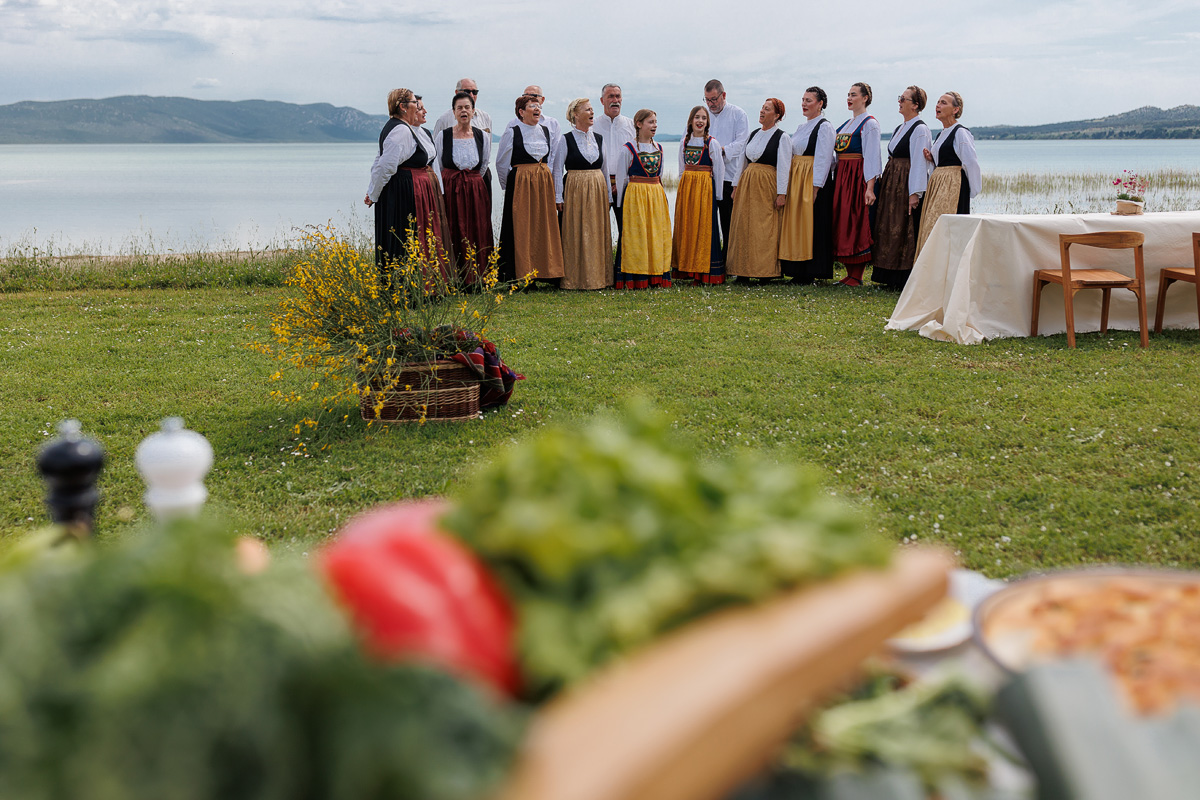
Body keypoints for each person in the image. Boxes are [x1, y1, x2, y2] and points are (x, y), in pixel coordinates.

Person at [365, 88, 451, 276]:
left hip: (409, 189)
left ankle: (420, 283)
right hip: (404, 192)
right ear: (403, 107)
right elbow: (385, 166)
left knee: (414, 236)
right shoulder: (401, 131)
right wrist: (373, 194)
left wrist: (373, 191)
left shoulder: (401, 128)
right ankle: (406, 286)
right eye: (414, 103)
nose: (418, 106)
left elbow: (380, 162)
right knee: (408, 236)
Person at [496, 94, 565, 284]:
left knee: (543, 225)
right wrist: (510, 186)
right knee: (522, 227)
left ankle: (547, 271)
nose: (537, 109)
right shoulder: (513, 131)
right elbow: (502, 163)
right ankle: (523, 273)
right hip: (521, 184)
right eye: (532, 106)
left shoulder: (545, 131)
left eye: (538, 106)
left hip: (543, 183)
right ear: (521, 112)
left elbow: (551, 160)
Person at [871, 86, 932, 289]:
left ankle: (902, 277)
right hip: (892, 179)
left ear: (915, 105)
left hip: (905, 181)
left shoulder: (920, 129)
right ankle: (887, 274)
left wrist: (914, 193)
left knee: (903, 226)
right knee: (888, 224)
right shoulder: (900, 128)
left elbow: (918, 163)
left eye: (904, 99)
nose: (900, 102)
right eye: (900, 98)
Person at [726, 98, 791, 281]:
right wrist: (735, 186)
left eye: (767, 109)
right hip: (747, 184)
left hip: (767, 184)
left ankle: (764, 272)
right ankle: (742, 270)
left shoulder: (782, 137)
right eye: (762, 108)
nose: (762, 111)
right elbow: (742, 161)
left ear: (776, 115)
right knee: (744, 226)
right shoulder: (753, 134)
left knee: (764, 227)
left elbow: (784, 167)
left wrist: (781, 194)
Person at [551, 97, 612, 290]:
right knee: (575, 232)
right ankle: (574, 278)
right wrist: (558, 197)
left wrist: (609, 196)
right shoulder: (565, 139)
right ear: (575, 115)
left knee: (596, 231)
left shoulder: (599, 139)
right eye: (587, 110)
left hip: (597, 188)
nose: (592, 113)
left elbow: (604, 168)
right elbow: (557, 169)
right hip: (575, 188)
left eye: (592, 109)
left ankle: (598, 277)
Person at [435, 90, 493, 284]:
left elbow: (484, 164)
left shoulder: (482, 136)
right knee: (453, 229)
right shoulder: (443, 136)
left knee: (478, 229)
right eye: (459, 108)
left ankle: (477, 277)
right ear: (453, 112)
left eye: (467, 107)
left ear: (473, 111)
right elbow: (439, 165)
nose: (463, 111)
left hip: (475, 188)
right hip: (451, 188)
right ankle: (454, 277)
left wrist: (472, 181)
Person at [779, 86, 836, 283]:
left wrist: (815, 188)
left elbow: (824, 158)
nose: (804, 103)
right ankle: (797, 268)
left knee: (813, 224)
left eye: (809, 100)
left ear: (820, 104)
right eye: (803, 100)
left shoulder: (824, 127)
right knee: (797, 223)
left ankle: (811, 270)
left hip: (812, 179)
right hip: (798, 178)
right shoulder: (802, 127)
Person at [916, 92, 981, 257]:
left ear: (955, 109)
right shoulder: (940, 134)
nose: (938, 105)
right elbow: (945, 158)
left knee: (949, 228)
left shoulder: (960, 132)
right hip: (938, 184)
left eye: (943, 103)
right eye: (938, 102)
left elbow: (970, 162)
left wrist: (971, 190)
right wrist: (932, 160)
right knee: (933, 225)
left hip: (953, 185)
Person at [614, 109, 672, 289]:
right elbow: (622, 178)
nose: (654, 125)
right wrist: (621, 204)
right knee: (636, 236)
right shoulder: (628, 149)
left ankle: (655, 274)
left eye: (655, 122)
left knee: (656, 233)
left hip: (655, 195)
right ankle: (636, 276)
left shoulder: (659, 148)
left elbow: (660, 176)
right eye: (650, 122)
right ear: (639, 124)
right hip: (635, 196)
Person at [671, 105, 725, 284]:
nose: (700, 121)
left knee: (703, 228)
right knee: (688, 226)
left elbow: (719, 169)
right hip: (688, 188)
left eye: (703, 118)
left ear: (707, 122)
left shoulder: (712, 143)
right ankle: (686, 268)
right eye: (697, 117)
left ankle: (704, 271)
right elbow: (681, 169)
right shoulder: (684, 142)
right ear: (691, 121)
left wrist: (717, 196)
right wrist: (683, 188)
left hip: (704, 189)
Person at [704, 79, 750, 266]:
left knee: (728, 221)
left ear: (724, 95)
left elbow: (742, 143)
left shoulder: (738, 114)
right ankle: (708, 259)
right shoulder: (702, 114)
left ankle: (729, 262)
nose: (711, 104)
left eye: (714, 99)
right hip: (706, 176)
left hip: (729, 176)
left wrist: (719, 151)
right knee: (706, 220)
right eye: (707, 100)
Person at [593, 83, 637, 234]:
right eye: (610, 96)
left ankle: (622, 258)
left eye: (618, 96)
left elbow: (636, 158)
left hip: (625, 186)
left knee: (627, 231)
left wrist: (623, 183)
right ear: (602, 100)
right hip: (598, 185)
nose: (615, 100)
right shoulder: (592, 126)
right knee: (597, 231)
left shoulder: (632, 126)